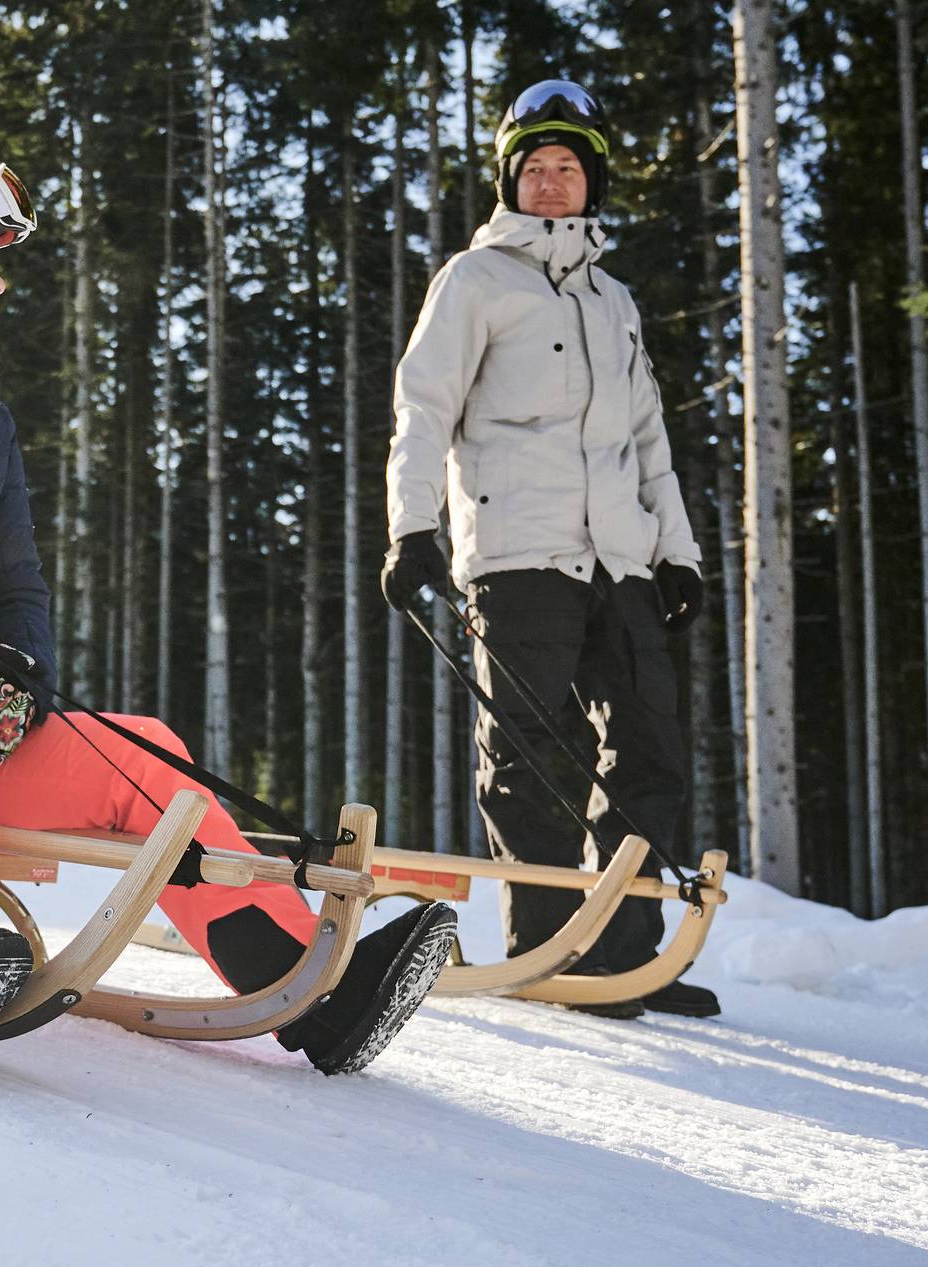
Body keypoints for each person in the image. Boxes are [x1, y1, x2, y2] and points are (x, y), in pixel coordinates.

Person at [0, 151, 458, 1064]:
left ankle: (303, 988)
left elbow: (19, 593)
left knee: (138, 756)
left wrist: (18, 686)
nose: (0, 280)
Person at [378, 82, 719, 1019]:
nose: (554, 182)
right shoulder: (475, 280)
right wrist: (412, 530)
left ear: (592, 179)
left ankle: (623, 952)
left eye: (569, 167)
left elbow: (648, 440)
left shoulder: (614, 302)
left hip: (622, 554)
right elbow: (424, 410)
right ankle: (542, 948)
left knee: (650, 752)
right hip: (518, 548)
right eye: (536, 169)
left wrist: (678, 554)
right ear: (510, 183)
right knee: (530, 752)